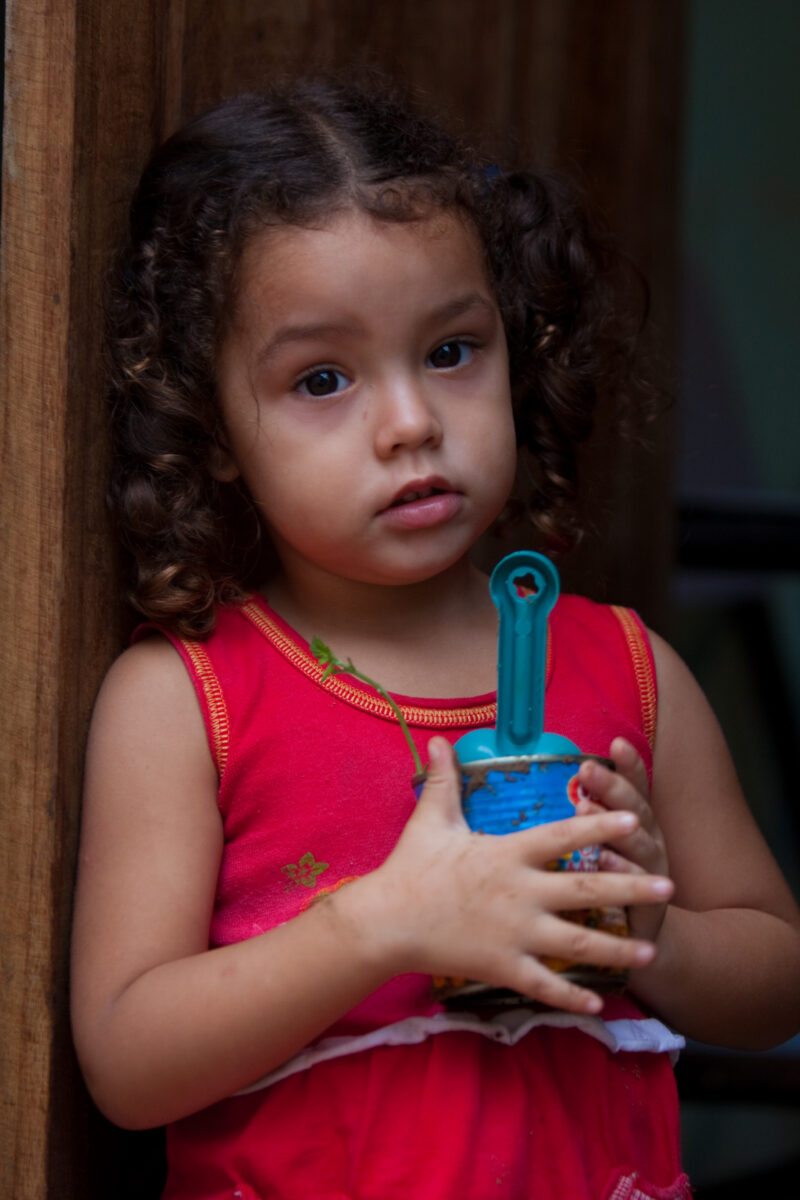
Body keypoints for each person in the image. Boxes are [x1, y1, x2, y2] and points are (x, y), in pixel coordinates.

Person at [70, 78, 800, 1200]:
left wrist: (648, 929)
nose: (411, 422)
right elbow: (127, 1060)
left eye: (453, 351)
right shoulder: (187, 698)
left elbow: (773, 981)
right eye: (321, 378)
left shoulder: (627, 667)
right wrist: (381, 926)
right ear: (212, 430)